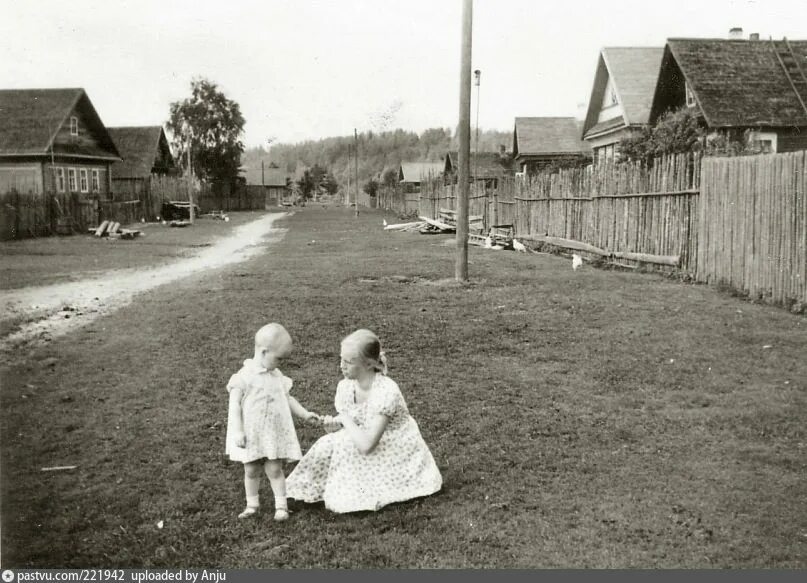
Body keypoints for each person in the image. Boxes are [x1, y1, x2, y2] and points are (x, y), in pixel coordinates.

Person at [286, 329, 442, 513]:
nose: (341, 366)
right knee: (326, 443)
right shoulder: (346, 386)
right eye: (341, 359)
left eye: (348, 361)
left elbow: (367, 445)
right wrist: (336, 424)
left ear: (368, 364)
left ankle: (350, 494)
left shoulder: (386, 391)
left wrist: (344, 420)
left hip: (395, 445)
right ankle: (305, 489)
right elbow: (354, 423)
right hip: (363, 436)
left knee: (345, 445)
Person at [225, 323, 320, 521]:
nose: (280, 364)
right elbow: (234, 405)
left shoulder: (277, 376)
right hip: (251, 432)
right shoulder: (243, 377)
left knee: (274, 468)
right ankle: (252, 504)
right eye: (278, 358)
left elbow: (288, 398)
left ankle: (281, 506)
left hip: (272, 432)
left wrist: (304, 414)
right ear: (263, 351)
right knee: (250, 469)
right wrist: (238, 431)